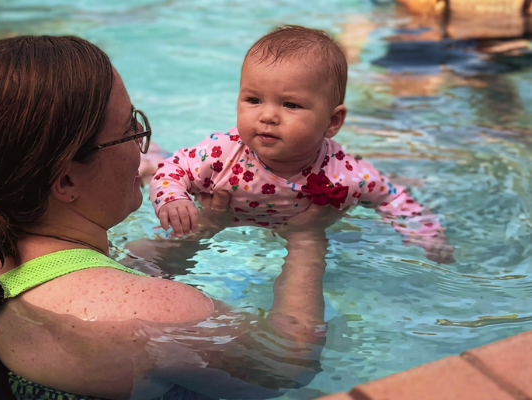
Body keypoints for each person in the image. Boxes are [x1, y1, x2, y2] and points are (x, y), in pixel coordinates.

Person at [0, 35, 340, 400]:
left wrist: (202, 230)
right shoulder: (161, 321)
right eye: (130, 129)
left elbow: (83, 277)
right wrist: (307, 240)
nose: (142, 146)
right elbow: (287, 364)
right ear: (66, 180)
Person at [150, 25, 455, 264]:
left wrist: (427, 237)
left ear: (333, 122)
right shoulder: (222, 153)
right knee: (152, 248)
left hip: (289, 235)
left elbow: (390, 198)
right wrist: (174, 199)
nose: (268, 116)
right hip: (222, 230)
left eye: (291, 105)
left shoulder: (345, 172)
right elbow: (172, 170)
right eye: (253, 100)